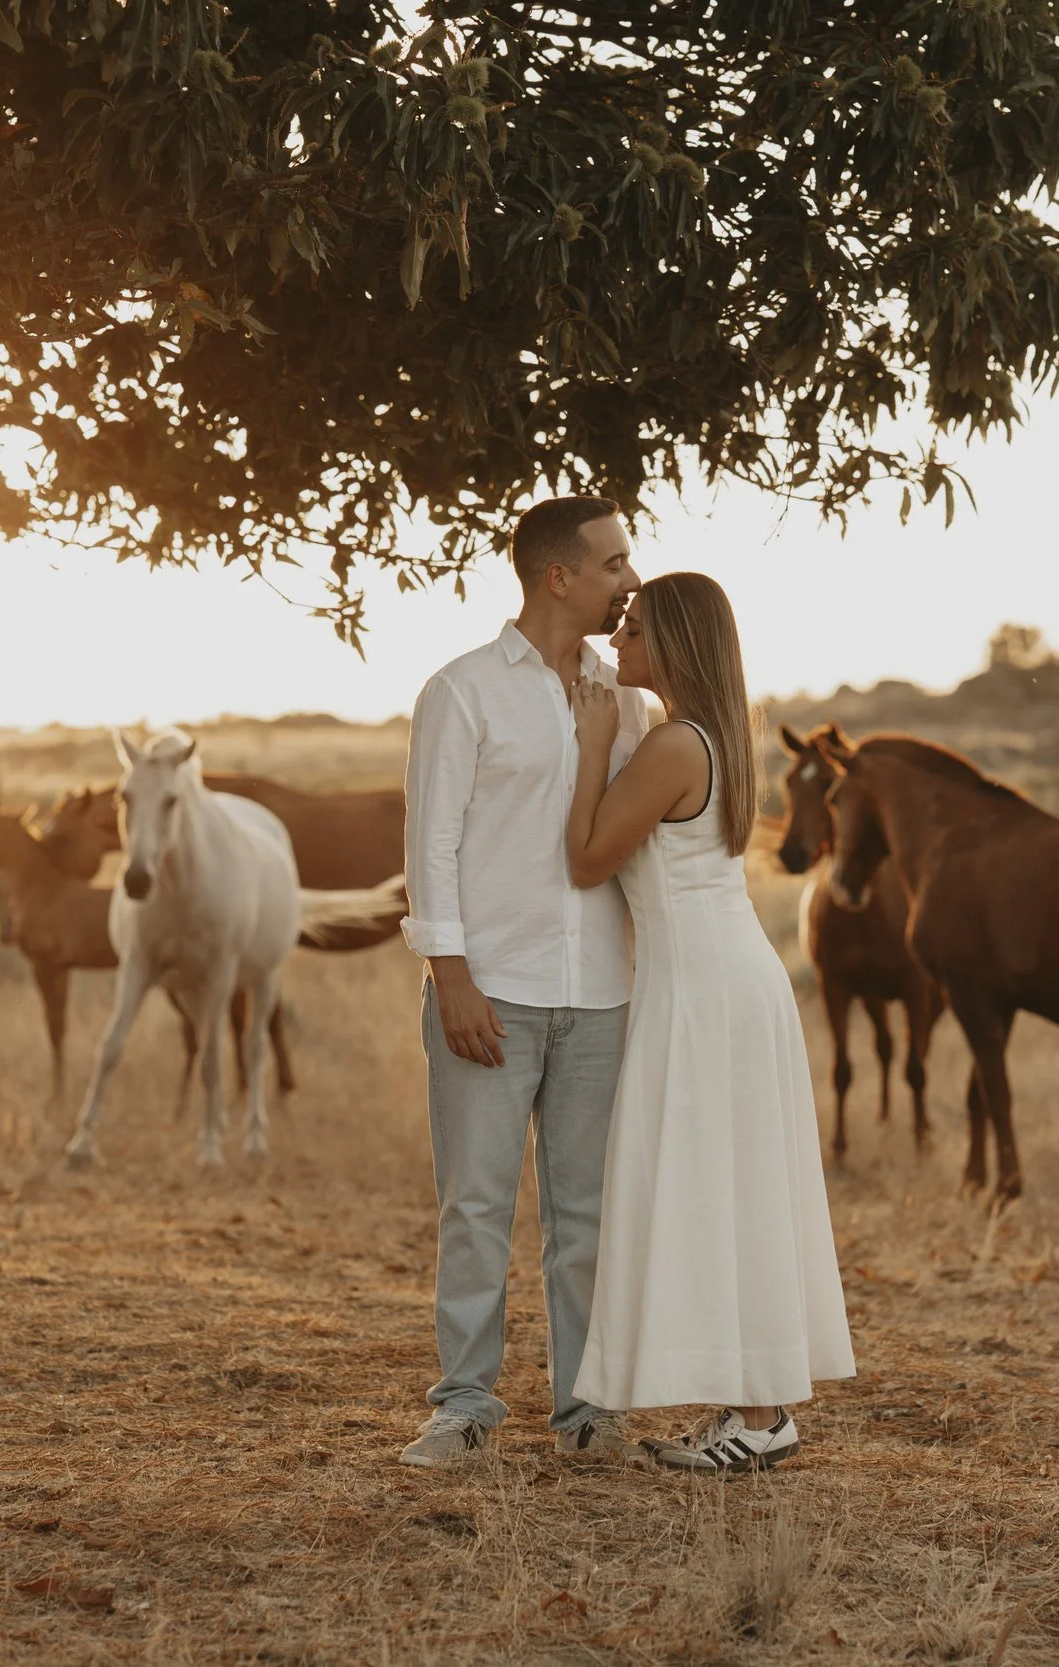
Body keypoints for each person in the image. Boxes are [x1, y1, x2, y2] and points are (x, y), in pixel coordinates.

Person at [563, 572, 855, 1471]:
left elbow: (584, 859)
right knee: (732, 1188)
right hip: (722, 980)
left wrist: (590, 742)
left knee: (717, 1186)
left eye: (636, 630)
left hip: (703, 990)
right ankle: (752, 1407)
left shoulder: (672, 747)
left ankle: (762, 1414)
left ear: (675, 645)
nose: (619, 643)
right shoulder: (715, 735)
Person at [396, 497, 649, 1468]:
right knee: (476, 1203)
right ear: (560, 576)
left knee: (586, 1211)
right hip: (491, 986)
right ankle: (462, 1402)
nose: (629, 580)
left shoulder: (625, 695)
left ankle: (588, 1407)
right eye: (615, 563)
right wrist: (450, 973)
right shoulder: (460, 691)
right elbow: (435, 841)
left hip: (600, 993)